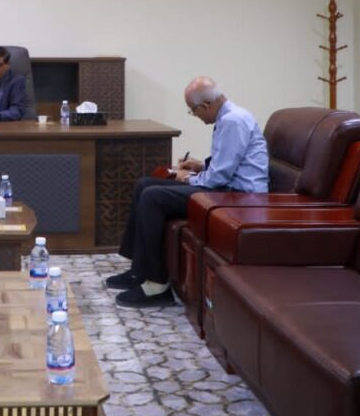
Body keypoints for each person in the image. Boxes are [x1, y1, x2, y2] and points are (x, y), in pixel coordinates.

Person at [106, 76, 269, 307]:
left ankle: (157, 285)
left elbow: (219, 177)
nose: (196, 116)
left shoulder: (233, 121)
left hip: (238, 196)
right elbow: (230, 164)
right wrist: (200, 166)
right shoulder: (229, 117)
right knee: (144, 184)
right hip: (228, 187)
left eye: (193, 111)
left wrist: (187, 177)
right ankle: (139, 271)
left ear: (206, 105)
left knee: (153, 197)